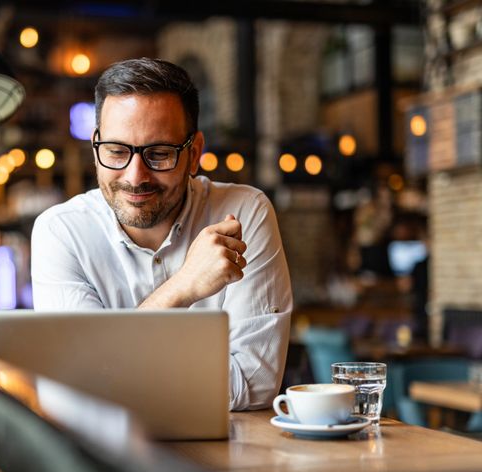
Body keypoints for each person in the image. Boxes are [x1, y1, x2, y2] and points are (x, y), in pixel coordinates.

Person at [30, 58, 292, 410]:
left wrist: (115, 369)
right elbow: (78, 386)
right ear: (96, 147)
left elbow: (253, 384)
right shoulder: (60, 231)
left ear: (194, 153)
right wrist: (181, 289)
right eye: (117, 151)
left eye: (158, 154)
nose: (135, 176)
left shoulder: (246, 212)